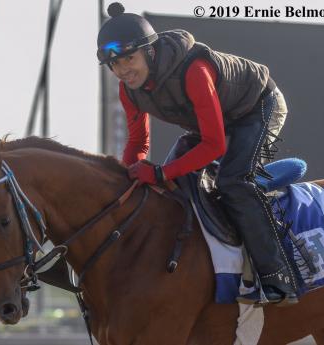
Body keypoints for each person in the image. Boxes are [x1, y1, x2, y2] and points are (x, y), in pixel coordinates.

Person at [97, 2, 297, 306]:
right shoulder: (129, 90)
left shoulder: (193, 70)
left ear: (150, 52)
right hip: (211, 122)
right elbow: (138, 142)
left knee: (233, 181)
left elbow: (214, 145)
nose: (123, 70)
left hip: (257, 108)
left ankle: (277, 277)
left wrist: (160, 172)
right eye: (115, 65)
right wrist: (131, 175)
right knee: (171, 187)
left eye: (129, 58)